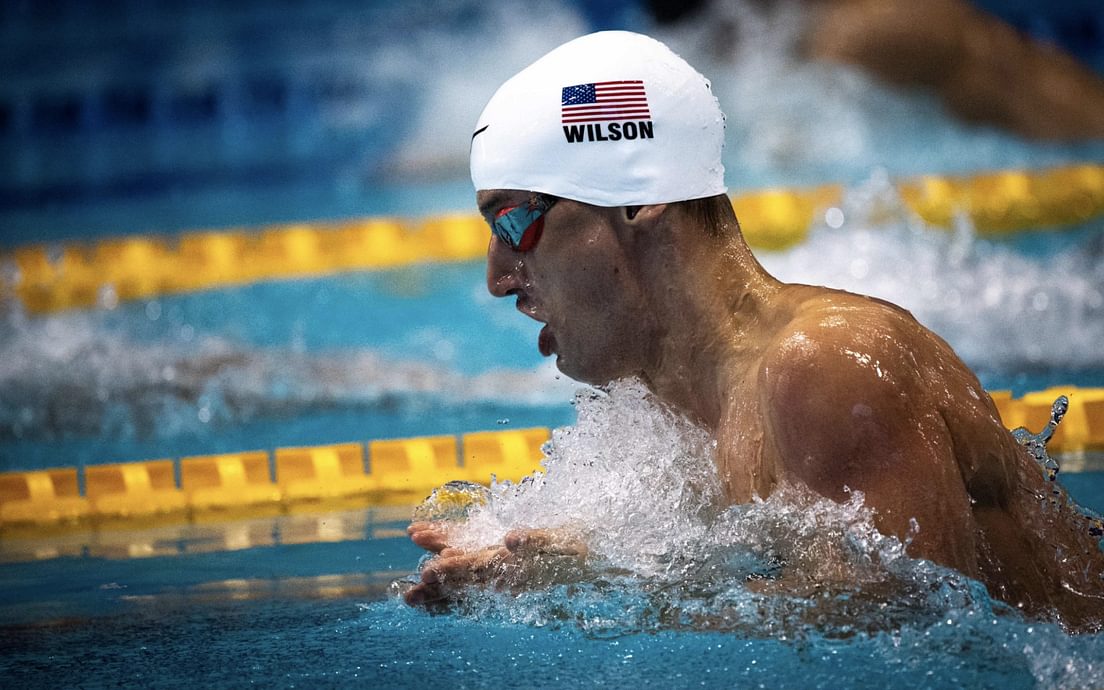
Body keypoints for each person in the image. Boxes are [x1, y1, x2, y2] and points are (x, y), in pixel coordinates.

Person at [404, 31, 1104, 631]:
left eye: (514, 222)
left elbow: (920, 624)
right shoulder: (674, 401)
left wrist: (606, 591)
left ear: (640, 198)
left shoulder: (827, 366)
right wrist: (557, 556)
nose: (498, 277)